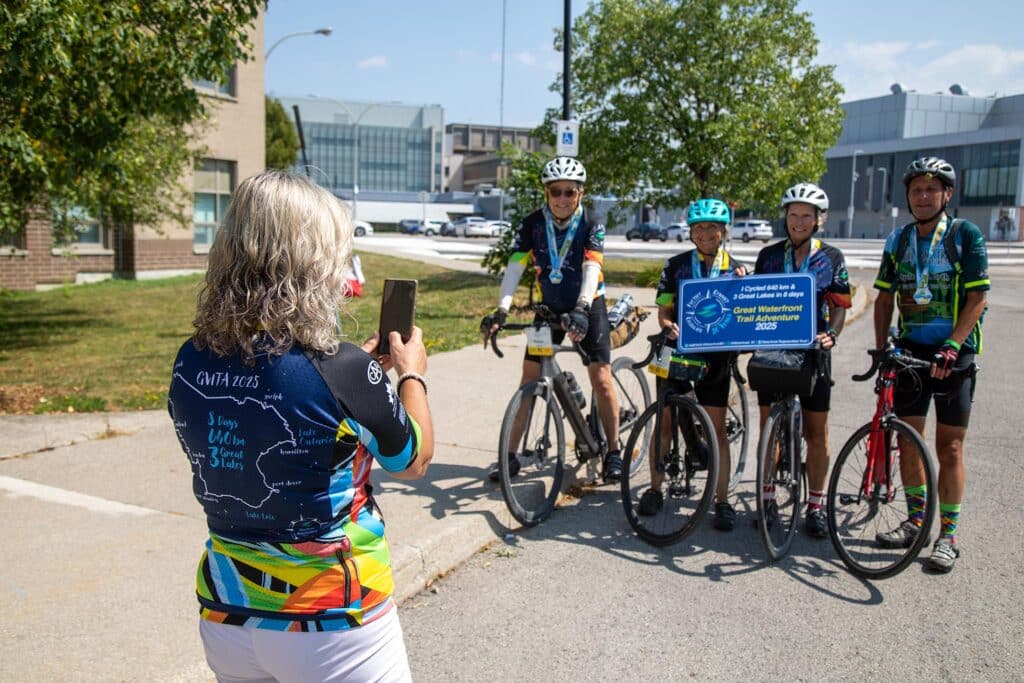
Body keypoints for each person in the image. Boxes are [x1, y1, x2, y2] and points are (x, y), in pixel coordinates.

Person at [168, 170, 433, 681]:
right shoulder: (343, 369)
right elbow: (413, 459)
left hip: (228, 610)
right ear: (314, 260)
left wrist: (364, 381)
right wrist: (411, 373)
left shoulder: (189, 360)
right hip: (333, 617)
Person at [873, 156, 989, 573]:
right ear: (907, 195)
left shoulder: (964, 235)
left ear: (947, 194)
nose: (923, 196)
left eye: (931, 189)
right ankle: (916, 520)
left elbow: (977, 297)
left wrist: (954, 345)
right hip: (910, 352)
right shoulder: (899, 240)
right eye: (916, 190)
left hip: (954, 354)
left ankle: (948, 535)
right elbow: (884, 297)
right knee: (908, 440)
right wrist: (882, 346)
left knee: (950, 447)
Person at [480, 156, 622, 483]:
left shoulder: (591, 221)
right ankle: (511, 456)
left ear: (580, 194)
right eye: (555, 191)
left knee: (600, 377)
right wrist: (502, 309)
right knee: (529, 381)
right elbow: (515, 266)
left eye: (569, 192)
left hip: (589, 305)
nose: (561, 198)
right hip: (549, 309)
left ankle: (613, 450)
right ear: (546, 193)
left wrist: (584, 307)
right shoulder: (532, 223)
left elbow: (592, 265)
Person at [640, 198, 746, 530]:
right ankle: (655, 488)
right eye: (698, 228)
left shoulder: (737, 267)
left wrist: (744, 285)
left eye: (712, 227)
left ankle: (722, 500)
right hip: (676, 350)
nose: (705, 234)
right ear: (691, 232)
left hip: (716, 356)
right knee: (665, 421)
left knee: (716, 429)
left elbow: (745, 312)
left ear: (723, 231)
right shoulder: (675, 266)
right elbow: (664, 311)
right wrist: (667, 324)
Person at [754, 183, 851, 538]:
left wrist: (833, 334)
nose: (798, 221)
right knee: (768, 427)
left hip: (813, 354)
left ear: (817, 220)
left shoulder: (831, 256)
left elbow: (840, 306)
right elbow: (753, 299)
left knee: (817, 433)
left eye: (806, 216)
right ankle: (766, 500)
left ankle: (815, 505)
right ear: (786, 217)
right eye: (793, 214)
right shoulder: (767, 256)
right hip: (772, 351)